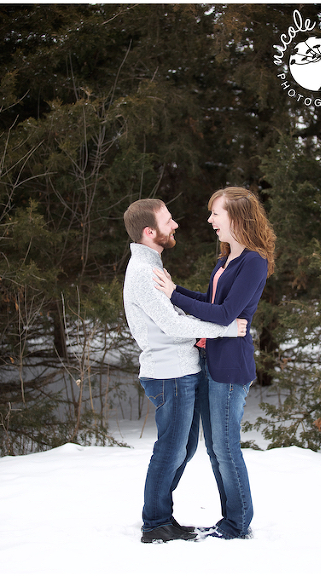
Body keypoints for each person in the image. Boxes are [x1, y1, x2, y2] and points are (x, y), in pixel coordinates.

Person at [122, 198, 247, 544]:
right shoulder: (144, 272)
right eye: (168, 220)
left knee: (184, 447)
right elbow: (171, 325)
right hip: (169, 374)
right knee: (172, 449)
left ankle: (162, 518)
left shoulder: (151, 266)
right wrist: (225, 329)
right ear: (150, 232)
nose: (175, 224)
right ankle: (156, 522)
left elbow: (172, 319)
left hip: (179, 370)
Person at [153, 187, 276, 540]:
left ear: (237, 217)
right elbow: (210, 303)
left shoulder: (253, 261)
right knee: (213, 448)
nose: (210, 220)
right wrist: (174, 290)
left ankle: (237, 524)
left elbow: (224, 314)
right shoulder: (225, 260)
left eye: (215, 213)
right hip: (209, 360)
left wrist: (174, 295)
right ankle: (229, 520)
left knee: (224, 447)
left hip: (230, 367)